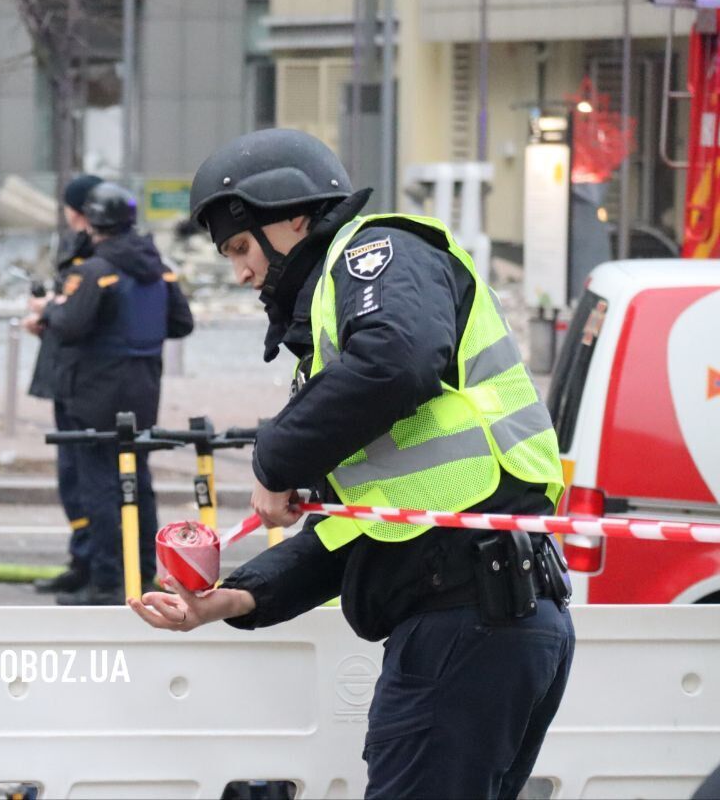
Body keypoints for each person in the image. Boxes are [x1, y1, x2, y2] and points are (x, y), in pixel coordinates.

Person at [128, 128, 574, 798]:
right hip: (486, 617)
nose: (241, 273)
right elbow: (355, 533)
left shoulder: (375, 252)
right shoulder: (338, 351)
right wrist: (236, 597)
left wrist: (275, 459)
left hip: (468, 618)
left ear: (292, 217)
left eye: (241, 247)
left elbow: (398, 359)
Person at [41, 182, 194, 605]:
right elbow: (182, 323)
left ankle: (107, 580)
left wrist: (49, 311)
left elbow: (70, 325)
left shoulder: (94, 270)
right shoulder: (156, 266)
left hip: (94, 391)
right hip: (143, 389)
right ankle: (144, 570)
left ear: (92, 222)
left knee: (100, 486)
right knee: (138, 482)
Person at [26, 173, 102, 595]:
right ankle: (84, 557)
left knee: (82, 475)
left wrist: (49, 310)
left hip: (81, 379)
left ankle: (95, 565)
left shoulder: (95, 254)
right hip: (69, 373)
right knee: (74, 475)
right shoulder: (84, 249)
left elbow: (78, 316)